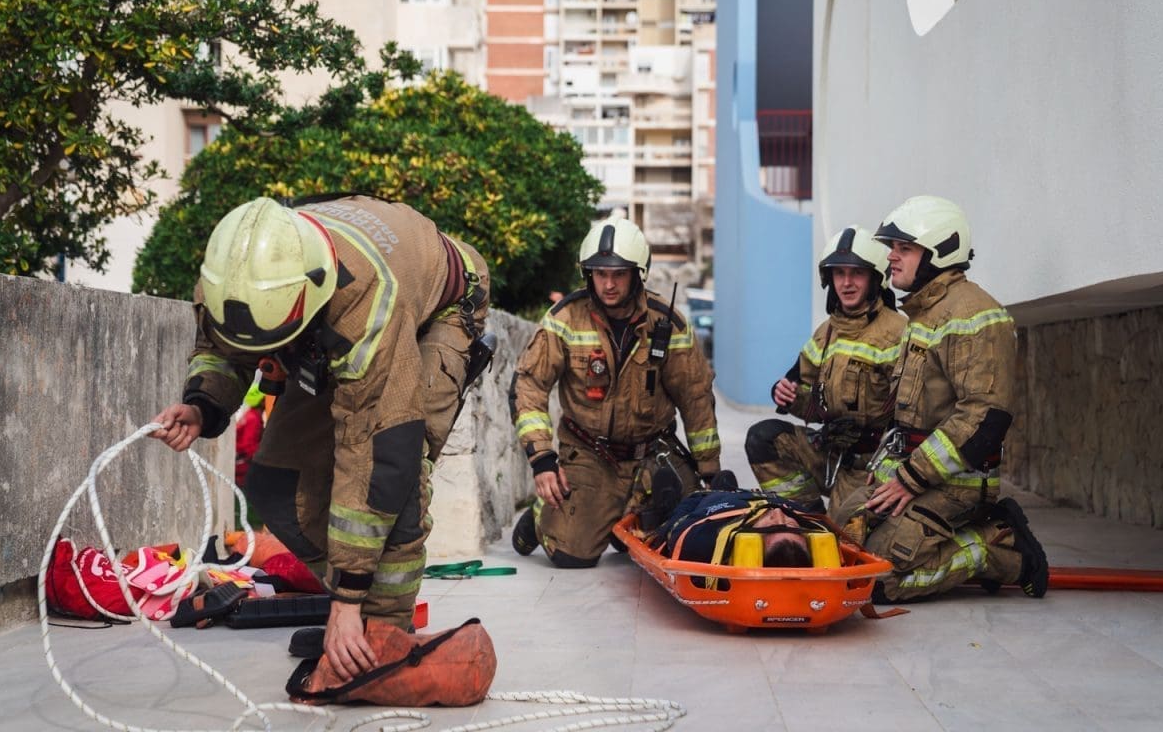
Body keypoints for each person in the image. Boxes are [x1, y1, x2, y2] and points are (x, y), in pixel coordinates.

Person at [151, 195, 490, 680]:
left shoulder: (366, 302)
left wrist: (349, 599)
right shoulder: (234, 272)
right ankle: (357, 618)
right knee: (276, 487)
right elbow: (221, 348)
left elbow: (376, 455)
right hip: (323, 322)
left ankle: (383, 638)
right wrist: (204, 404)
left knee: (399, 476)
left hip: (444, 308)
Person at [833, 195, 1048, 602]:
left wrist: (910, 479)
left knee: (875, 579)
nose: (891, 257)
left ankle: (999, 548)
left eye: (904, 248)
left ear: (939, 252)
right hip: (911, 471)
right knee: (841, 533)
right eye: (893, 247)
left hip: (957, 485)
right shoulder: (924, 313)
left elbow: (983, 418)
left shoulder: (972, 315)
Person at [508, 217, 729, 567]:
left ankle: (619, 516)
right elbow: (529, 384)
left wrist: (710, 469)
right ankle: (542, 519)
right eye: (599, 274)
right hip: (590, 453)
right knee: (572, 556)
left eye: (619, 274)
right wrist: (542, 459)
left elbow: (695, 397)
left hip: (654, 451)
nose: (608, 284)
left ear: (637, 274)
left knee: (687, 531)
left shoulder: (667, 322)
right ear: (588, 274)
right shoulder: (564, 318)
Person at [745, 225, 906, 518]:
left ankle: (834, 522)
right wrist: (785, 395)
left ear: (874, 279)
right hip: (832, 455)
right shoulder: (826, 333)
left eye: (856, 273)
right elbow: (803, 392)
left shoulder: (899, 332)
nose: (847, 283)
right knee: (763, 438)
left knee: (847, 537)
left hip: (875, 466)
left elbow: (915, 415)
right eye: (839, 273)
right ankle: (808, 517)